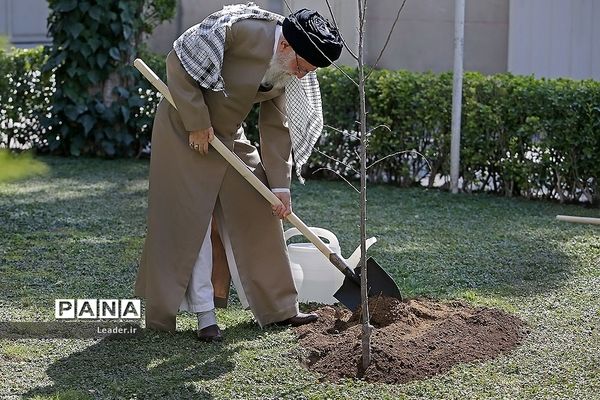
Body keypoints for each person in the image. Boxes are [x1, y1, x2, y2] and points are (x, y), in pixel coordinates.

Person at [134, 3, 343, 342]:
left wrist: (281, 188)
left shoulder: (287, 68)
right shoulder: (239, 31)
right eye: (302, 67)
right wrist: (197, 122)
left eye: (308, 71)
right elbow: (177, 61)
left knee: (260, 208)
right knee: (192, 222)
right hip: (183, 128)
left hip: (228, 135)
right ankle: (205, 317)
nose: (302, 75)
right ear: (285, 46)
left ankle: (280, 308)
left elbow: (277, 126)